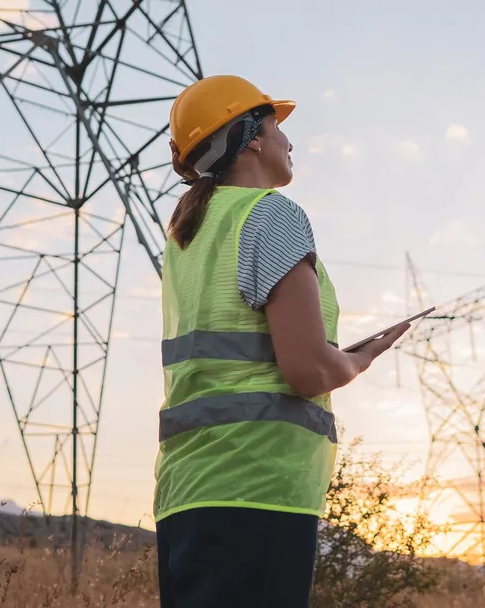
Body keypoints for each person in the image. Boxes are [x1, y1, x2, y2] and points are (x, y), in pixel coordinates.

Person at [153, 74, 411, 608]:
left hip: (186, 489)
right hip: (258, 484)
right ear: (250, 138)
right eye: (277, 126)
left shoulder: (187, 236)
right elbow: (308, 371)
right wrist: (358, 359)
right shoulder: (270, 215)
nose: (288, 141)